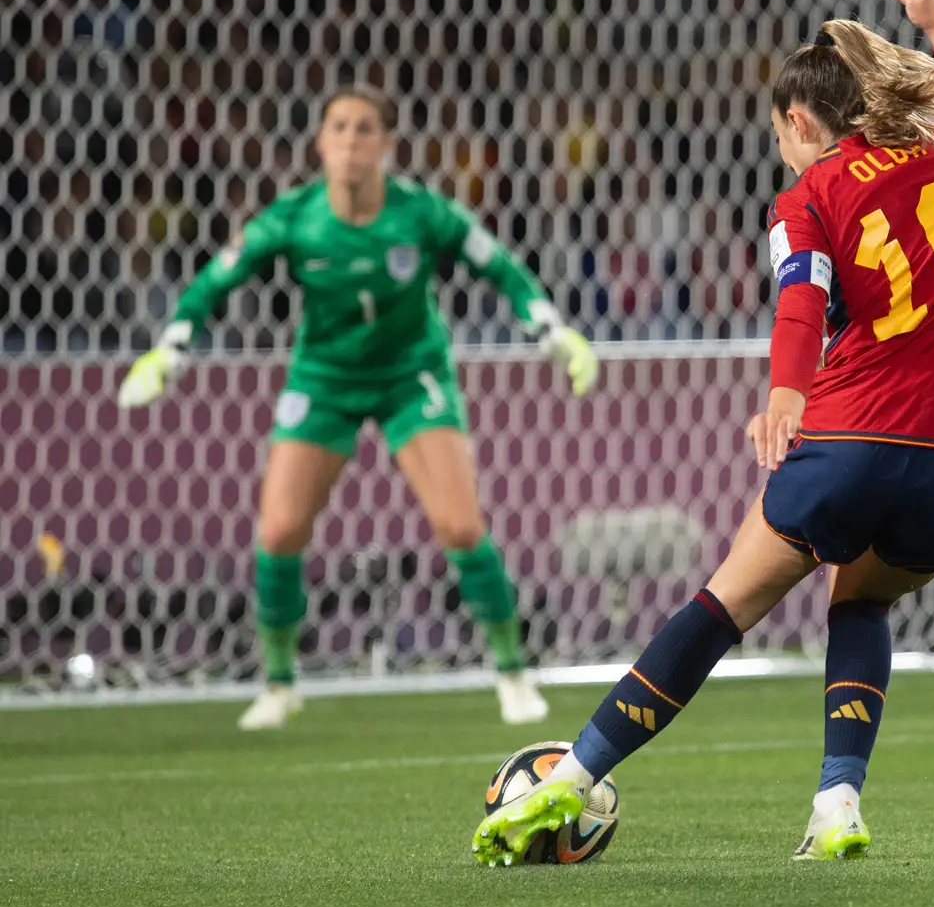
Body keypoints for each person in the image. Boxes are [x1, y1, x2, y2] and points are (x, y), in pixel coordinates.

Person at [471, 0, 934, 866]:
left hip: (854, 435)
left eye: (782, 139)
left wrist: (785, 396)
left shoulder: (810, 194)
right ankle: (837, 805)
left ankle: (570, 778)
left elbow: (799, 301)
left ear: (801, 124)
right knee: (866, 599)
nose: (784, 155)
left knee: (725, 604)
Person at [116, 85, 600, 729]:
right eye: (338, 127)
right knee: (280, 532)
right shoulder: (293, 218)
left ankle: (513, 673)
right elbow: (214, 281)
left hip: (411, 373)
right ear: (319, 142)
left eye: (364, 128)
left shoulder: (422, 212)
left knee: (459, 527)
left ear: (387, 145)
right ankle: (280, 683)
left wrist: (553, 330)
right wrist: (170, 349)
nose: (350, 140)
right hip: (324, 378)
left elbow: (502, 268)